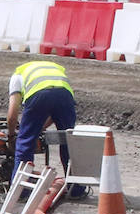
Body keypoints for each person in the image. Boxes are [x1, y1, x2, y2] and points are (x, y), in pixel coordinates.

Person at [6, 60, 87, 199]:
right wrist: (41, 127)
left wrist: (12, 135)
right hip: (65, 95)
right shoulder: (56, 68)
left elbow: (12, 115)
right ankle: (77, 189)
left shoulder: (17, 75)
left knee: (25, 143)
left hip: (39, 96)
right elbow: (53, 111)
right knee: (69, 141)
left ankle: (21, 191)